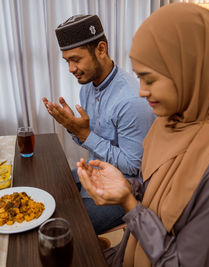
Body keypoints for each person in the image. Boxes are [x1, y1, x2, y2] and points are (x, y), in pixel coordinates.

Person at [77, 3, 209, 266]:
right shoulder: (169, 124)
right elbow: (155, 191)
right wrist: (126, 187)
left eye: (149, 80)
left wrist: (129, 203)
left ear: (191, 73)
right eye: (139, 77)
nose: (140, 91)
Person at [42, 15, 155, 234]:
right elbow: (93, 139)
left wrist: (84, 133)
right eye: (67, 61)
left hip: (125, 187)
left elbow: (134, 166)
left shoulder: (131, 100)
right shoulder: (87, 87)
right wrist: (73, 127)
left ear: (101, 49)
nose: (71, 69)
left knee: (64, 228)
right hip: (96, 170)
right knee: (46, 197)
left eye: (76, 59)